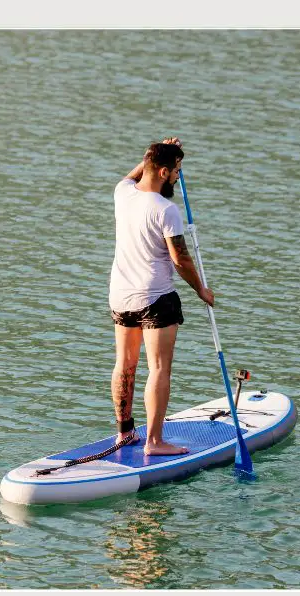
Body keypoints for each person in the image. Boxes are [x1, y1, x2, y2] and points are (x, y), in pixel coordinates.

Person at [109, 137, 215, 456]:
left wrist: (151, 155)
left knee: (125, 363)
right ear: (165, 171)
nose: (178, 178)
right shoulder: (167, 210)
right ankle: (154, 442)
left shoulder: (122, 192)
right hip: (156, 299)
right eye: (177, 172)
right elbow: (180, 259)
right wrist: (201, 289)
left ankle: (124, 433)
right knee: (158, 368)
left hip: (121, 296)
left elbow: (134, 175)